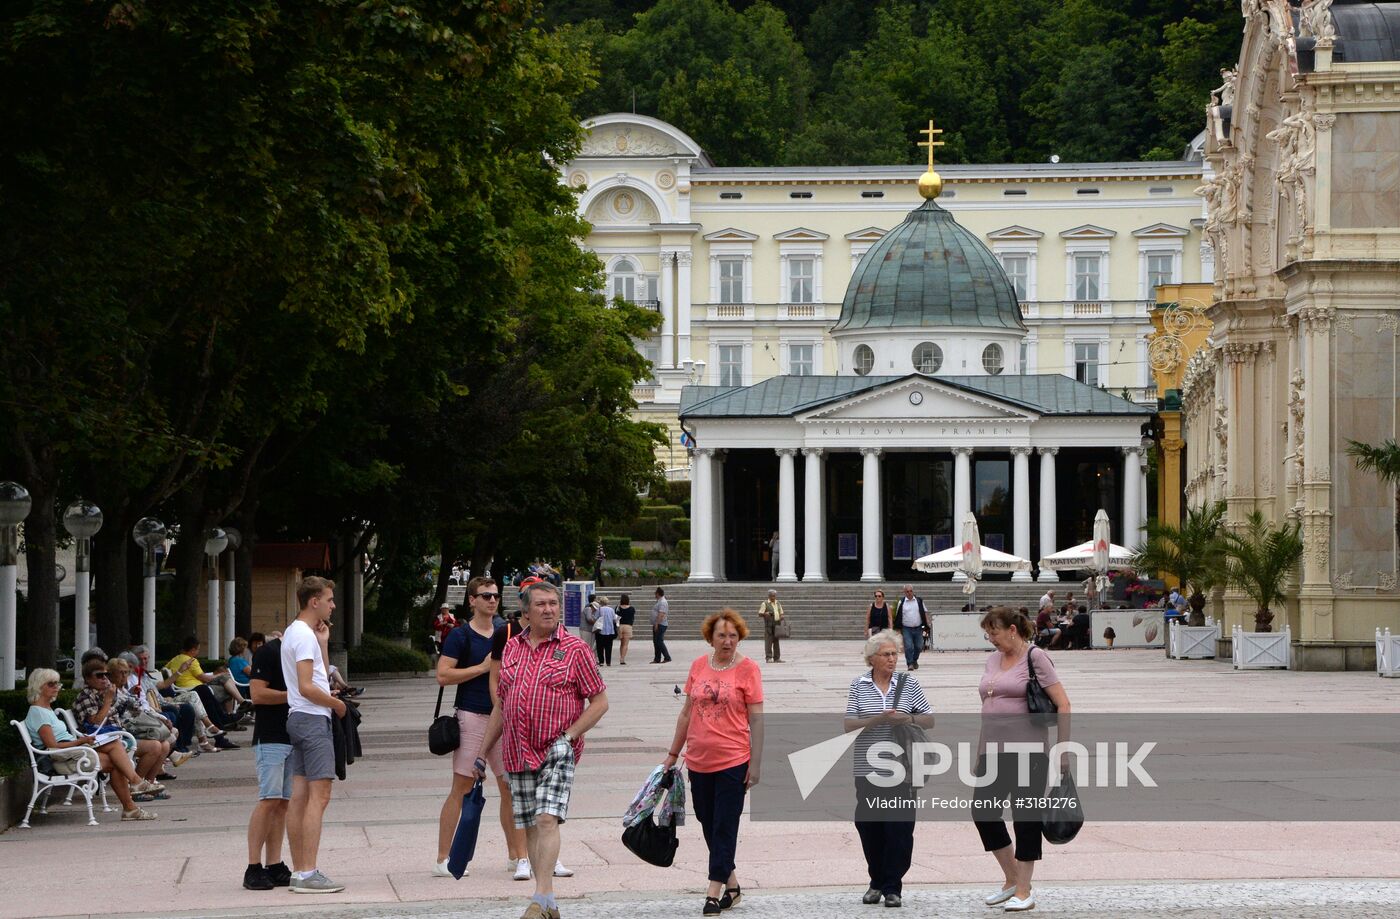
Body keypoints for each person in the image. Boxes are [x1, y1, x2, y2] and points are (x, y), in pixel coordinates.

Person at [480, 580, 609, 919]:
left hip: (558, 749)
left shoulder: (575, 649)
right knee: (533, 826)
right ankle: (548, 904)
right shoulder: (512, 649)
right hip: (517, 749)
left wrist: (569, 736)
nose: (549, 609)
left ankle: (540, 896)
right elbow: (502, 706)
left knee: (547, 818)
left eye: (553, 603)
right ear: (526, 612)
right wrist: (482, 753)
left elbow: (599, 702)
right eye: (541, 604)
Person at [663, 609, 763, 916]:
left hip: (734, 759)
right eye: (722, 635)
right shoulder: (697, 666)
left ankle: (713, 892)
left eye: (733, 636)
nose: (728, 641)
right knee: (708, 821)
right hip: (698, 761)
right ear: (711, 637)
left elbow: (757, 720)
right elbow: (686, 713)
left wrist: (756, 764)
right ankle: (732, 885)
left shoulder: (749, 669)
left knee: (724, 826)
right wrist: (672, 754)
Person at [973, 607, 1072, 913]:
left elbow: (1063, 703)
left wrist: (1063, 749)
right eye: (988, 633)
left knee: (1025, 817)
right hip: (993, 752)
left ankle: (1024, 890)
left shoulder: (1036, 657)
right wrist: (980, 752)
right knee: (983, 812)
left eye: (994, 631)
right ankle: (1012, 878)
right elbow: (987, 708)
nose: (991, 638)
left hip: (1029, 752)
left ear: (1012, 630)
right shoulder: (992, 660)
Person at [433, 576, 524, 877]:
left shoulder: (507, 632)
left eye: (495, 595)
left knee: (508, 787)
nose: (492, 600)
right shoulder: (460, 635)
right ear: (471, 600)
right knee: (462, 786)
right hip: (472, 716)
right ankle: (443, 858)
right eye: (485, 595)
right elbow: (443, 675)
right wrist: (482, 668)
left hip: (504, 717)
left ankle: (516, 856)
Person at [845, 629, 934, 908]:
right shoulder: (859, 685)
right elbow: (848, 724)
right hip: (867, 768)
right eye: (886, 655)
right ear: (872, 658)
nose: (893, 659)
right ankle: (876, 880)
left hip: (902, 768)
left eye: (895, 654)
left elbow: (929, 719)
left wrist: (907, 718)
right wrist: (875, 720)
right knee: (869, 826)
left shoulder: (909, 684)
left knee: (899, 828)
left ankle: (893, 886)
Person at [280, 576, 348, 894]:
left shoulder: (298, 633)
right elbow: (309, 687)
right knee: (319, 797)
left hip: (297, 718)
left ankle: (299, 870)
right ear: (314, 601)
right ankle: (308, 872)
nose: (333, 605)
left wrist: (323, 644)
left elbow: (311, 679)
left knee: (300, 797)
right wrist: (336, 704)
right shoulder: (303, 636)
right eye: (329, 599)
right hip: (312, 718)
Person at [24, 668, 161, 820]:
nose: (56, 687)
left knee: (116, 755)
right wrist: (81, 741)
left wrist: (82, 740)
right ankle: (134, 792)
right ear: (38, 686)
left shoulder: (46, 709)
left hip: (72, 752)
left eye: (57, 683)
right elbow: (53, 746)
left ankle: (132, 802)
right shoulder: (37, 712)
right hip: (62, 757)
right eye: (51, 684)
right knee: (116, 752)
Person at [72, 657, 169, 793]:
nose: (104, 678)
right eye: (99, 676)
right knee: (155, 746)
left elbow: (131, 708)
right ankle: (136, 785)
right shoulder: (86, 697)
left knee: (164, 745)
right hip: (101, 739)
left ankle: (147, 784)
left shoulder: (104, 692)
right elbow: (95, 723)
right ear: (87, 679)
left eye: (106, 675)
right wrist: (108, 701)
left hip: (116, 735)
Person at [244, 632, 294, 890]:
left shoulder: (302, 653)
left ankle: (274, 864)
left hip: (292, 735)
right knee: (268, 800)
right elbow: (257, 695)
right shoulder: (269, 652)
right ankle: (253, 866)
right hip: (271, 736)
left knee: (282, 803)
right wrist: (293, 694)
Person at [894, 585, 931, 670]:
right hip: (906, 628)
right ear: (904, 592)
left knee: (919, 646)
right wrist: (898, 629)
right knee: (909, 646)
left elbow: (925, 612)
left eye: (911, 591)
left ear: (913, 591)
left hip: (918, 628)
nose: (909, 593)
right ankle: (910, 663)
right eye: (907, 591)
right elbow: (898, 615)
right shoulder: (902, 602)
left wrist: (927, 623)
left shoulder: (919, 601)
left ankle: (914, 660)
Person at [758, 589, 784, 663]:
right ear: (769, 596)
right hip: (768, 625)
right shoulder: (765, 603)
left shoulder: (778, 603)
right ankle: (768, 657)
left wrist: (781, 616)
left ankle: (777, 658)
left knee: (776, 641)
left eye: (774, 596)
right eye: (772, 596)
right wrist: (765, 614)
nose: (773, 597)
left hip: (777, 624)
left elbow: (781, 612)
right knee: (768, 641)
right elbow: (760, 613)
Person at [594, 596, 617, 667]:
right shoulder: (611, 610)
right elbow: (614, 619)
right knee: (609, 647)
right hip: (610, 630)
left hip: (600, 630)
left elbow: (595, 618)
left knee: (600, 647)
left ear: (600, 602)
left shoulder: (599, 609)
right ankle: (608, 662)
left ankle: (601, 661)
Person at [651, 587, 672, 664]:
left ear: (658, 594)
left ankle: (667, 657)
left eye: (655, 593)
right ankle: (657, 658)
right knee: (656, 642)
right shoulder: (659, 601)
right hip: (658, 624)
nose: (654, 595)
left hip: (661, 624)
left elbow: (661, 614)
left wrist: (657, 623)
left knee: (659, 641)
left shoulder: (662, 602)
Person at [615, 593, 637, 665]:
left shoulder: (617, 608)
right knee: (625, 644)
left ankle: (621, 656)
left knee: (621, 644)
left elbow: (615, 617)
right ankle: (622, 658)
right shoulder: (631, 608)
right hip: (628, 626)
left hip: (620, 626)